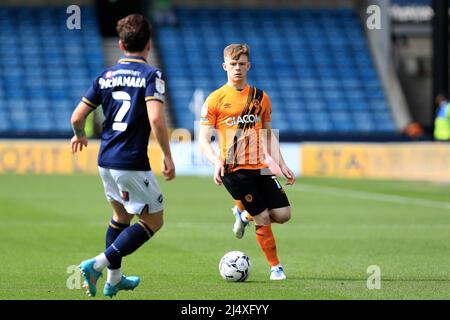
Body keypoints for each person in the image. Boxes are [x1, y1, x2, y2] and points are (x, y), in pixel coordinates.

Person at [70, 14, 175, 298]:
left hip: (106, 160)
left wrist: (80, 135)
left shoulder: (104, 76)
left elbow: (77, 116)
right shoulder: (151, 75)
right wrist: (168, 155)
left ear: (120, 44)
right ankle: (97, 264)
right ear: (148, 45)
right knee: (154, 221)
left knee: (120, 216)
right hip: (131, 161)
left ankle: (114, 279)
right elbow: (156, 119)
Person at [199, 44, 295, 280]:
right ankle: (275, 268)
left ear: (248, 66)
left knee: (283, 215)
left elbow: (268, 134)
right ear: (225, 67)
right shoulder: (215, 99)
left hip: (259, 167)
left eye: (241, 64)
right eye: (233, 64)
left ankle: (244, 215)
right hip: (234, 169)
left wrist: (281, 164)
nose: (237, 68)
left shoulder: (261, 97)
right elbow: (203, 139)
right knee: (263, 217)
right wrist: (215, 162)